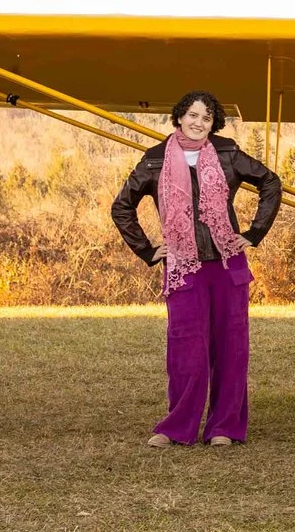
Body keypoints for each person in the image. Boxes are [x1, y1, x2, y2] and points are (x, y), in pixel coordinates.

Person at [111, 91, 281, 448]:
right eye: (191, 114)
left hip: (226, 263)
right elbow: (121, 207)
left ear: (213, 123)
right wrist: (147, 249)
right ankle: (177, 427)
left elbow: (271, 183)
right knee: (185, 349)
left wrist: (253, 233)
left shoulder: (228, 153)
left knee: (232, 348)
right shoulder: (154, 160)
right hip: (183, 265)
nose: (198, 122)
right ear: (179, 117)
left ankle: (224, 427)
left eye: (206, 117)